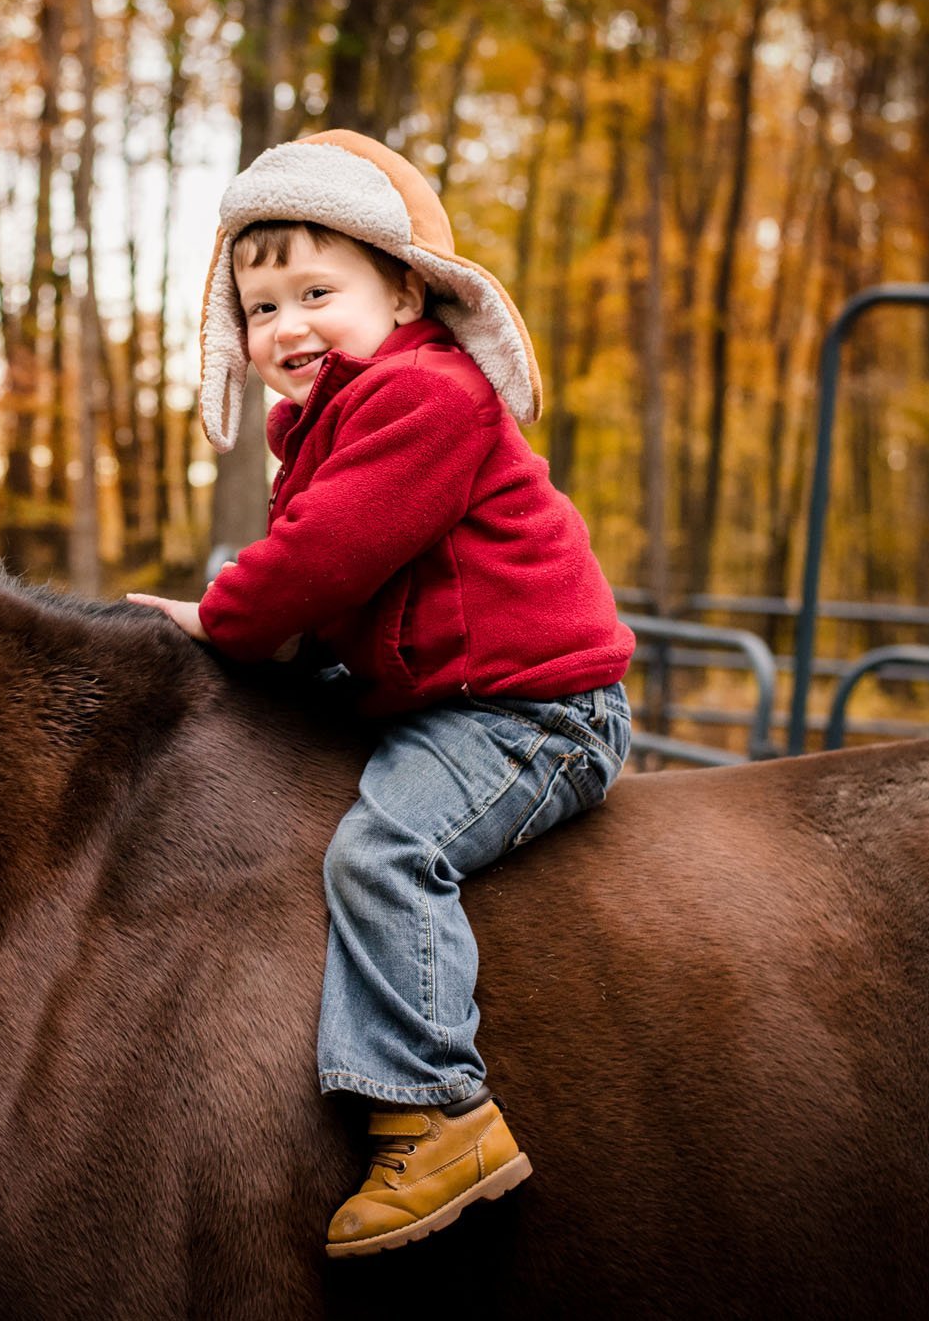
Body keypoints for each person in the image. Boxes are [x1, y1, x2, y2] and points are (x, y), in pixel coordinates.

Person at [128, 130, 634, 1258]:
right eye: (260, 308)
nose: (286, 326)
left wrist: (225, 624)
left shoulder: (425, 395)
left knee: (384, 852)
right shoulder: (322, 420)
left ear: (405, 290)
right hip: (446, 683)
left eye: (318, 290)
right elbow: (321, 577)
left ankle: (436, 1111)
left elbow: (324, 558)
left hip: (530, 713)